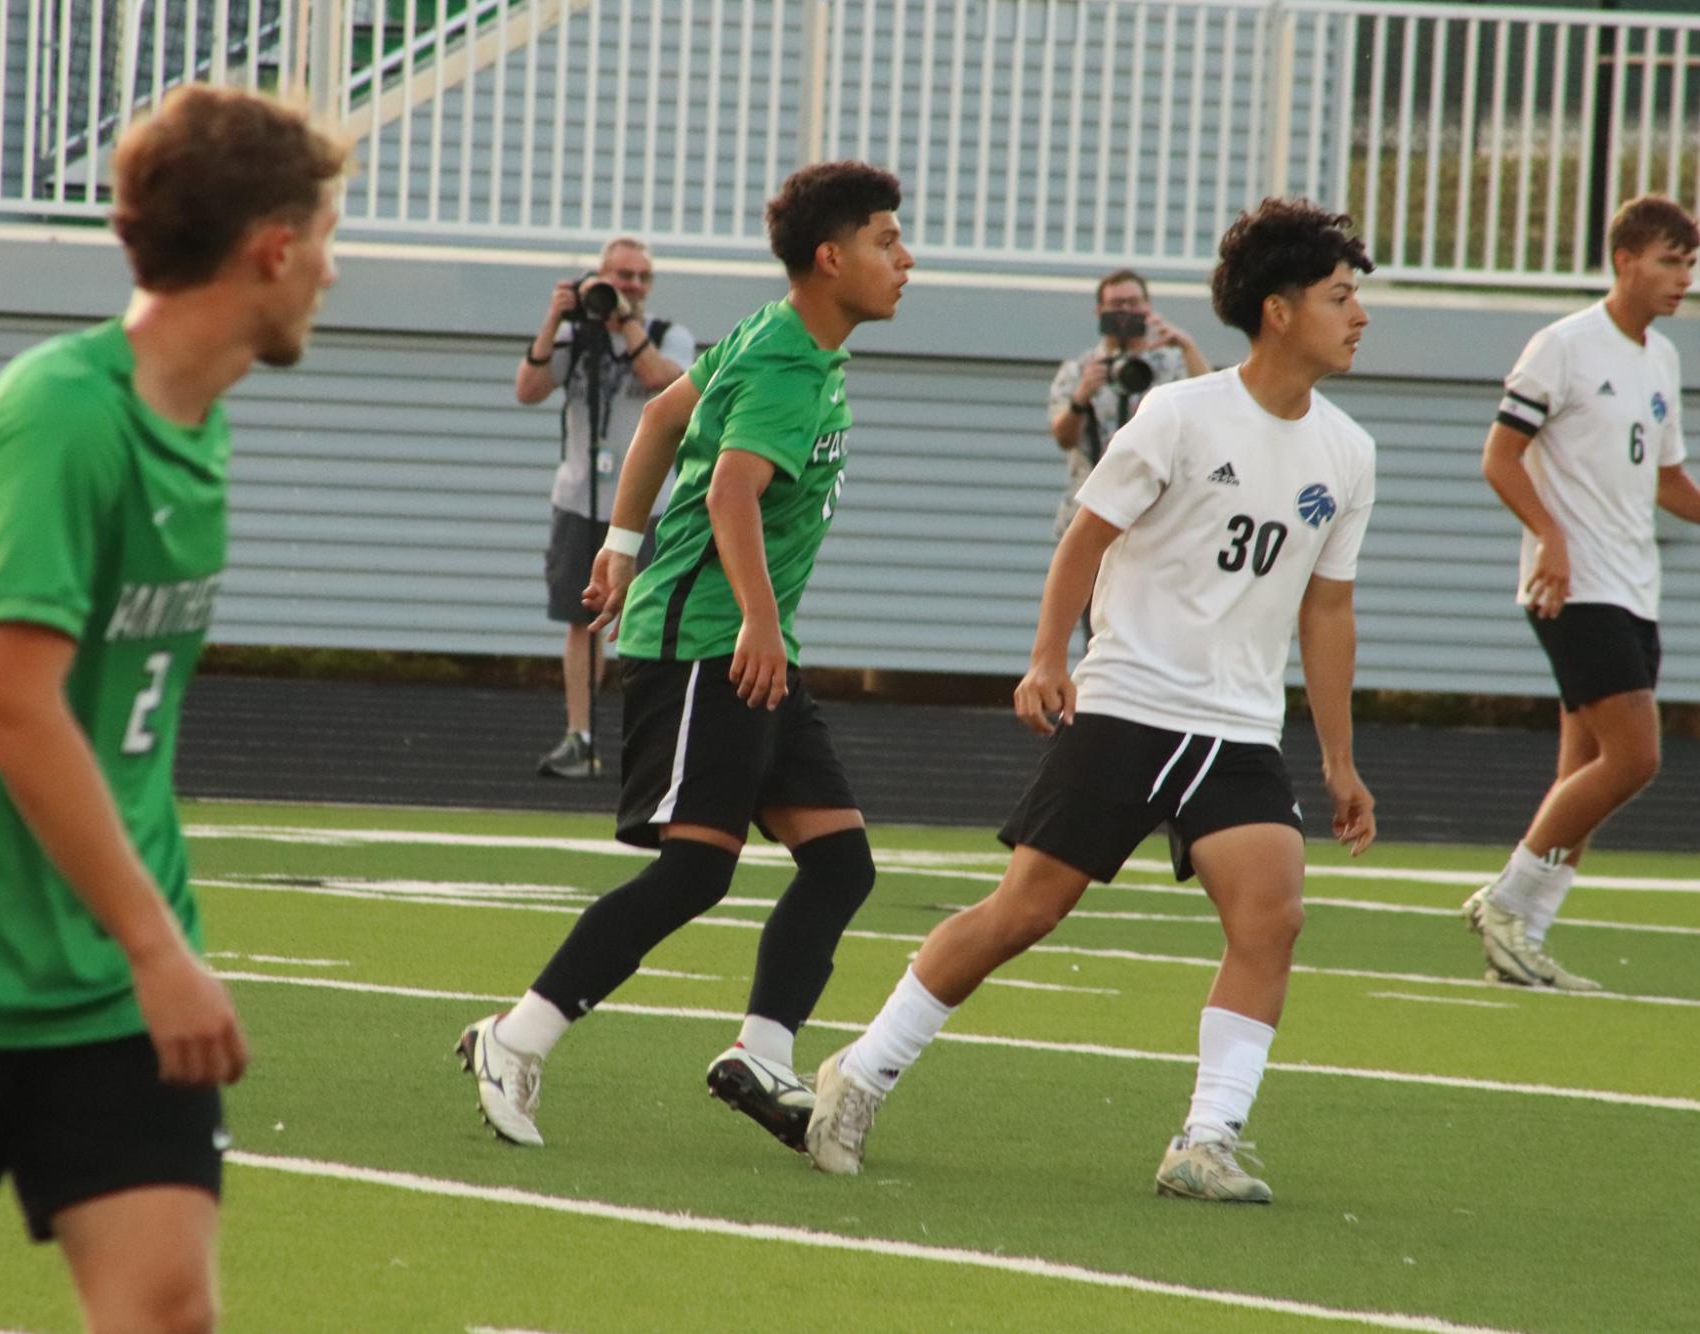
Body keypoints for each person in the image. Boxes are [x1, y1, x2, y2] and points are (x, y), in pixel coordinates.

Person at [0, 85, 344, 1333]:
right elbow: (12, 709)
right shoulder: (63, 413)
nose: (331, 276)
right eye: (326, 241)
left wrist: (145, 947)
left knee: (168, 1309)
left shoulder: (201, 423)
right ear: (270, 249)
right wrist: (159, 949)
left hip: (111, 986)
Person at [805, 198, 1379, 1206]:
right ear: (1280, 311)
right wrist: (1045, 658)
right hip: (1131, 702)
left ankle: (1206, 1139)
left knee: (1273, 913)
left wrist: (1338, 759)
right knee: (1028, 908)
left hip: (1239, 727)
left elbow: (1327, 611)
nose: (1360, 313)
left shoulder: (1349, 451)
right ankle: (859, 1071)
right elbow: (1086, 534)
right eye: (1341, 295)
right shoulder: (1181, 414)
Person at [456, 161, 914, 1154]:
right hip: (711, 642)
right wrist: (753, 618)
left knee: (840, 863)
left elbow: (663, 416)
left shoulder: (781, 331)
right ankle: (513, 1035)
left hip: (748, 641)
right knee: (696, 869)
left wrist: (619, 547)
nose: (905, 259)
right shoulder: (790, 360)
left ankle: (760, 1051)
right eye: (887, 240)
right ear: (831, 258)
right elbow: (729, 495)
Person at [1465, 195, 1700, 991]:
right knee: (1634, 758)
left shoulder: (1658, 359)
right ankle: (1502, 904)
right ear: (1625, 259)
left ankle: (1521, 940)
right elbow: (1499, 458)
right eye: (1670, 260)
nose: (1683, 278)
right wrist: (1550, 538)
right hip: (1574, 587)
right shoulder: (1561, 346)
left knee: (1584, 775)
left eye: (1690, 263)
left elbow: (1664, 477)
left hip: (1634, 587)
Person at [517, 236, 697, 779]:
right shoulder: (575, 335)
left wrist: (627, 325)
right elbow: (528, 389)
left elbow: (660, 381)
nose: (632, 287)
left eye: (642, 278)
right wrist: (554, 322)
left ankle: (660, 741)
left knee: (652, 622)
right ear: (599, 277)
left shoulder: (671, 337)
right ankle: (581, 735)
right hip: (579, 499)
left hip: (651, 505)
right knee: (582, 620)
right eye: (621, 276)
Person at [1046, 269, 1211, 544]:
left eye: (1133, 303)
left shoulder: (1172, 364)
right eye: (1116, 305)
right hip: (1090, 512)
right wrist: (1081, 398)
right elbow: (1063, 437)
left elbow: (1211, 404)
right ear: (1099, 311)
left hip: (1155, 515)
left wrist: (1186, 346)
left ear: (1147, 307)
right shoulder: (1079, 370)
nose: (1125, 312)